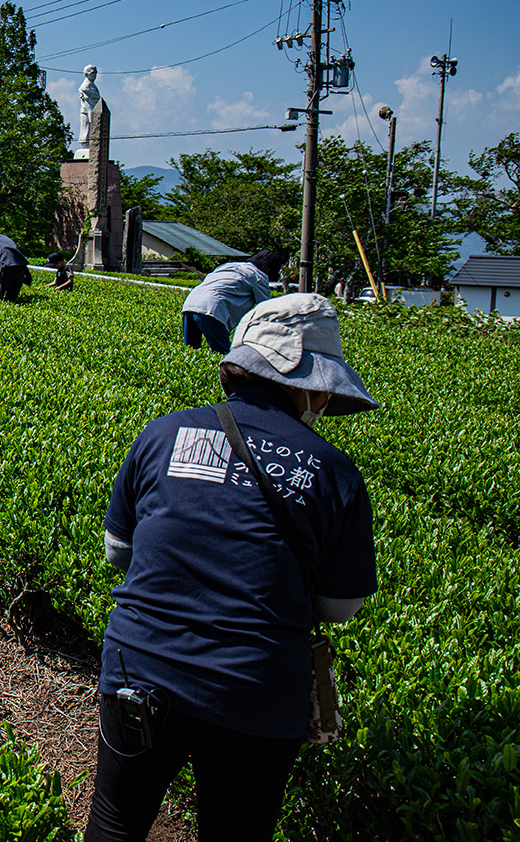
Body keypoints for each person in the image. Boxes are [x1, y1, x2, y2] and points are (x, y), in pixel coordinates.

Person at [85, 292, 378, 842]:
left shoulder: (163, 433)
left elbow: (118, 553)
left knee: (115, 819)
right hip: (256, 689)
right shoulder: (335, 472)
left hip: (140, 669)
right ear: (310, 384)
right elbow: (341, 607)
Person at [181, 250, 284, 354]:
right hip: (211, 309)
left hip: (190, 304)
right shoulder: (258, 276)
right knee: (223, 355)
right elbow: (267, 307)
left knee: (191, 351)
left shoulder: (229, 266)